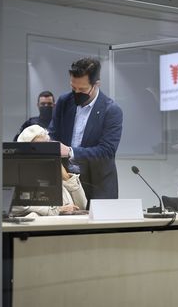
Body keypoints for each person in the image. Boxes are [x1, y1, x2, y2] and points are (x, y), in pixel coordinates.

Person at [48, 57, 123, 205]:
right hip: (66, 182)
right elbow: (53, 133)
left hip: (99, 186)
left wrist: (70, 151)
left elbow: (107, 151)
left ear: (96, 84)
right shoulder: (64, 101)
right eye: (73, 87)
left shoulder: (111, 110)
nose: (76, 92)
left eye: (82, 89)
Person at [11, 124, 87, 217]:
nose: (44, 151)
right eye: (38, 147)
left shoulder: (54, 173)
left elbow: (81, 206)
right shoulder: (18, 174)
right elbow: (16, 206)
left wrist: (66, 178)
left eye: (47, 145)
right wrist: (57, 210)